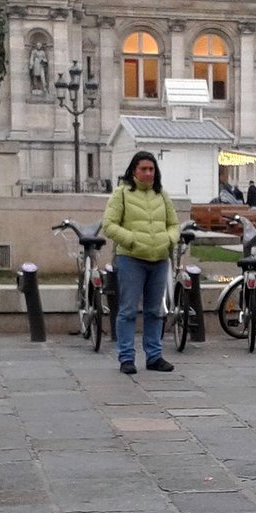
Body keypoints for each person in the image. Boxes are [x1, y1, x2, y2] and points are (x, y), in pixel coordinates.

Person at [103, 151, 178, 375]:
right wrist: (132, 240)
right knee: (127, 311)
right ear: (134, 171)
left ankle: (154, 356)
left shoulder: (161, 195)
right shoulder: (122, 194)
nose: (148, 173)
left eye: (151, 169)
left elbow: (174, 224)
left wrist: (168, 239)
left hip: (159, 259)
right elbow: (109, 225)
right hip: (131, 259)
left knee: (155, 311)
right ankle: (126, 357)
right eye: (143, 169)